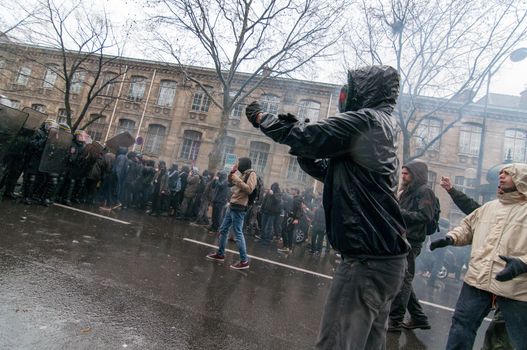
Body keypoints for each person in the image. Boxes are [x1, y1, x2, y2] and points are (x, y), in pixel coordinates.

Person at [245, 65, 410, 349]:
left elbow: (308, 136)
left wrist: (262, 118)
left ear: (365, 91)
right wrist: (306, 152)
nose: (346, 96)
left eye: (351, 89)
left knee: (336, 343)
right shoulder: (386, 125)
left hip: (365, 262)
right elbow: (334, 171)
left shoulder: (367, 120)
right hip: (387, 261)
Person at [430, 164, 527, 350]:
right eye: (501, 172)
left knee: (513, 340)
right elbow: (467, 227)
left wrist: (522, 264)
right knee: (460, 327)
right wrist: (451, 238)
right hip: (477, 280)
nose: (501, 176)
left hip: (515, 287)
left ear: (522, 179)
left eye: (508, 173)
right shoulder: (489, 207)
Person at [388, 161, 433, 331]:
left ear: (416, 174)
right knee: (403, 278)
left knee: (403, 279)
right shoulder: (406, 191)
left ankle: (395, 320)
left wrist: (398, 213)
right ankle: (419, 318)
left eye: (406, 173)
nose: (403, 176)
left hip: (411, 241)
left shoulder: (425, 191)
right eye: (403, 173)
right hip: (401, 238)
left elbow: (425, 216)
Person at [206, 157, 257, 270]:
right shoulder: (243, 174)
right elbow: (229, 183)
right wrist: (232, 173)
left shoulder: (252, 174)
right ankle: (220, 253)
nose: (237, 164)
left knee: (238, 233)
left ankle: (244, 261)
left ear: (243, 164)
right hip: (233, 204)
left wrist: (237, 180)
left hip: (239, 207)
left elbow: (249, 189)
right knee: (223, 229)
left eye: (238, 163)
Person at [278, 187, 303, 253]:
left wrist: (297, 219)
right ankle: (289, 248)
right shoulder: (293, 198)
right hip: (289, 217)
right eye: (291, 189)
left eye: (293, 190)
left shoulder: (298, 199)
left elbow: (299, 210)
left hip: (292, 218)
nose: (291, 191)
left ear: (296, 191)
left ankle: (286, 247)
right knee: (289, 233)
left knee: (284, 230)